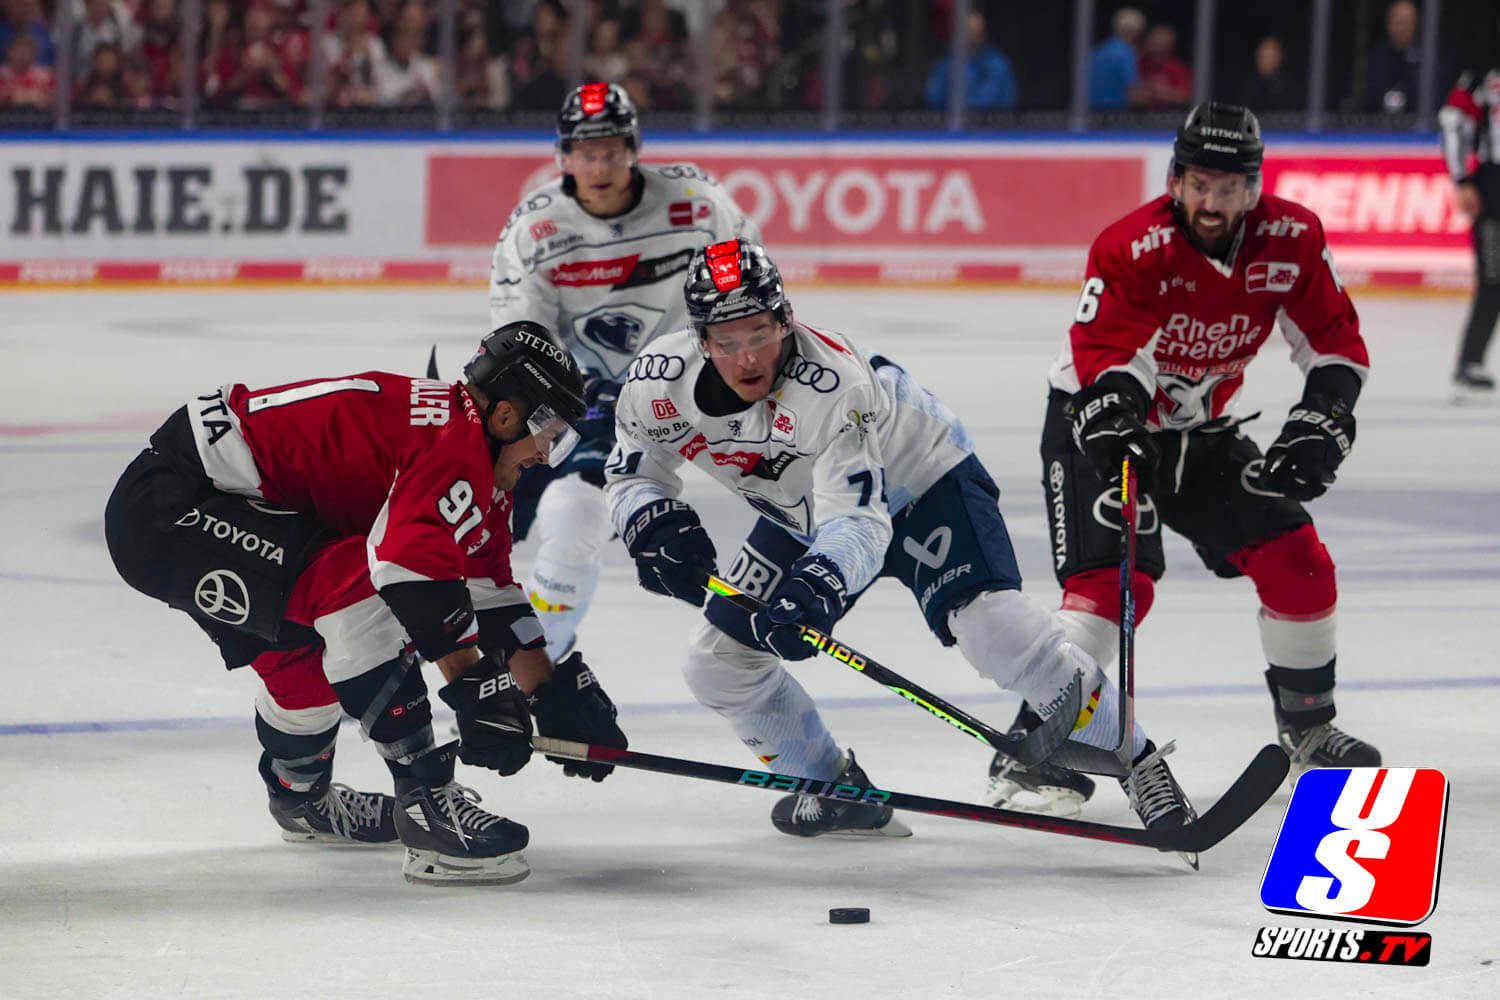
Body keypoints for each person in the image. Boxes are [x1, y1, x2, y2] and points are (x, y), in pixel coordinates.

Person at [603, 237, 1193, 840]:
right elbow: (631, 472)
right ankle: (835, 788)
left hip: (923, 482)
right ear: (701, 340)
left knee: (999, 630)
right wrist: (647, 521)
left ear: (785, 319)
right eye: (727, 342)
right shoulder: (655, 386)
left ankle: (1140, 761)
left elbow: (861, 523)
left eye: (759, 332)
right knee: (716, 663)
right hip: (802, 514)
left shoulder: (832, 383)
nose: (747, 357)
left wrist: (818, 585)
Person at [104, 322, 629, 886]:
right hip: (172, 507)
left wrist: (546, 691)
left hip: (210, 504)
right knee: (360, 598)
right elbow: (406, 572)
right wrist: (476, 687)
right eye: (548, 429)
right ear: (504, 415)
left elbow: (489, 591)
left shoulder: (478, 464)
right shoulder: (451, 443)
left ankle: (301, 797)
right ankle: (426, 800)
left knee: (308, 664)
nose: (548, 454)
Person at [982, 102, 1382, 817]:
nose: (1210, 202)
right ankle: (1031, 742)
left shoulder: (1292, 238)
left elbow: (1333, 340)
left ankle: (1308, 727)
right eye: (1198, 183)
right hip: (1098, 420)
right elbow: (1108, 352)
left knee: (1300, 561)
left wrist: (1323, 421)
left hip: (1201, 432)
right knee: (1116, 584)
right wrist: (1119, 417)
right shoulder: (1131, 245)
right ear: (1175, 179)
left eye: (1227, 188)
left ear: (1254, 187)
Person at [488, 81, 759, 662]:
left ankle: (543, 658)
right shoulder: (534, 231)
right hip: (564, 396)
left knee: (575, 511)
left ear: (634, 146)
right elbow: (519, 345)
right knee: (481, 515)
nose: (601, 165)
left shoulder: (699, 203)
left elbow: (748, 301)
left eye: (612, 149)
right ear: (564, 156)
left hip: (669, 391)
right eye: (587, 152)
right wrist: (553, 413)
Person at [1439, 52, 1500, 397]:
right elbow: (1452, 119)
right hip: (1494, 188)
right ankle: (1471, 361)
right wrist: (1462, 179)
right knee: (1493, 278)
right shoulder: (1483, 74)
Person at [924, 9, 1018, 111]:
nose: (974, 36)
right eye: (970, 31)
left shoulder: (998, 64)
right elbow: (933, 98)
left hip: (991, 124)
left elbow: (1009, 99)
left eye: (978, 31)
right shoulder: (947, 65)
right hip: (953, 123)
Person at [1365, 0, 1422, 114]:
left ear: (1415, 24)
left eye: (1406, 22)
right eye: (1398, 22)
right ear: (1389, 23)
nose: (1401, 28)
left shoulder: (1424, 59)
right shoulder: (1376, 58)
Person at [1089, 6, 1143, 110]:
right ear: (1135, 31)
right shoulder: (1126, 53)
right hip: (1116, 114)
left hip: (1090, 112)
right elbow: (1132, 91)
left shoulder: (1096, 51)